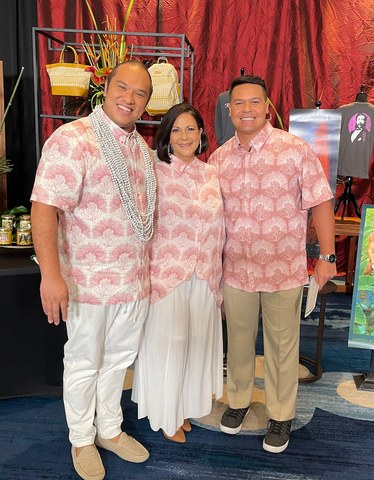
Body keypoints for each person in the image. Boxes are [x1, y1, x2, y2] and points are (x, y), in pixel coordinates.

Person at [30, 60, 155, 480]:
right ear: (106, 87)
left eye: (140, 94)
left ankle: (110, 429)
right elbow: (44, 206)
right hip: (86, 281)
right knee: (84, 362)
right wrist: (51, 274)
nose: (129, 98)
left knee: (118, 362)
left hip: (133, 281)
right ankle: (81, 438)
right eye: (123, 87)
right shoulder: (72, 139)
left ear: (147, 104)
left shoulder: (141, 148)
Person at [208, 75, 336, 454]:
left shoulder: (294, 149)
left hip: (283, 269)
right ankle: (239, 402)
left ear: (267, 107)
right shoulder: (218, 159)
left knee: (282, 347)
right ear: (228, 110)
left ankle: (281, 414)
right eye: (238, 103)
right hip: (236, 271)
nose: (246, 109)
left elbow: (321, 201)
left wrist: (327, 258)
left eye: (254, 102)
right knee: (239, 344)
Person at [132, 103, 225, 444]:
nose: (184, 136)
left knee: (194, 346)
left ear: (201, 133)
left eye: (191, 129)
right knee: (169, 346)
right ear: (166, 137)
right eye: (176, 130)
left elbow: (221, 228)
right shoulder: (154, 172)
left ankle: (181, 407)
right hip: (167, 274)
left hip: (205, 275)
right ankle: (164, 414)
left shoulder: (212, 173)